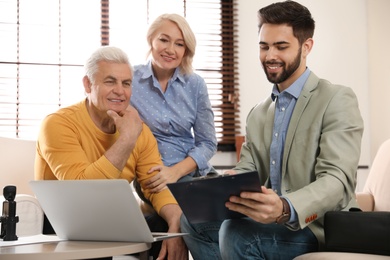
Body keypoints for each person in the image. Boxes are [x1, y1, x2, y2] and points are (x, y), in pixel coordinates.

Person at [180, 1, 364, 259]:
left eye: (281, 46)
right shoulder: (258, 113)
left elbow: (337, 181)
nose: (270, 56)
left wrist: (286, 207)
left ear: (306, 46)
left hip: (318, 227)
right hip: (271, 222)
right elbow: (248, 168)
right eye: (264, 46)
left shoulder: (336, 99)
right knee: (190, 222)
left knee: (237, 233)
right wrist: (227, 182)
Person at [34, 46, 188, 260]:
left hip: (110, 219)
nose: (120, 91)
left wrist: (176, 224)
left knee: (168, 226)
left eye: (126, 83)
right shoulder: (58, 124)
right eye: (110, 81)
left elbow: (156, 186)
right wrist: (126, 140)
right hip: (63, 222)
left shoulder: (138, 130)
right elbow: (82, 192)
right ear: (88, 84)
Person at [130, 13, 218, 194]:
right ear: (151, 40)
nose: (171, 50)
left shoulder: (195, 84)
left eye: (179, 44)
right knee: (198, 219)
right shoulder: (130, 79)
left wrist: (175, 172)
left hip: (192, 172)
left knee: (232, 211)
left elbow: (208, 143)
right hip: (153, 174)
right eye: (164, 40)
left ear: (186, 50)